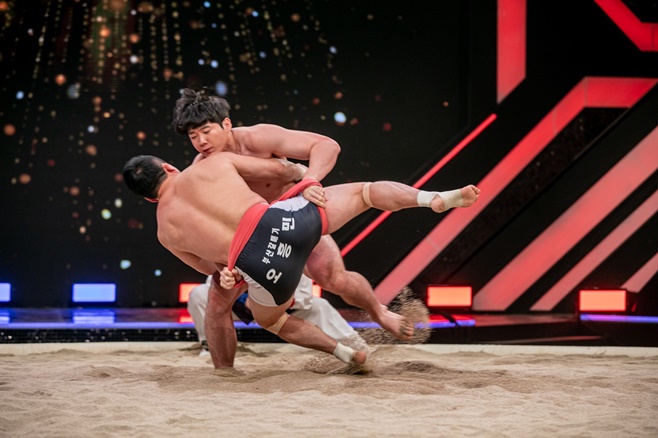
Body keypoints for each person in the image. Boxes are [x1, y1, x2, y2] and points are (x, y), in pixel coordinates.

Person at [123, 152, 480, 365]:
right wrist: (304, 179)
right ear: (169, 167)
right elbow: (279, 171)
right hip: (285, 221)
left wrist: (232, 272)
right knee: (365, 192)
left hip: (258, 264)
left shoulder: (165, 231)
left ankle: (342, 352)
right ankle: (430, 198)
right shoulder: (211, 164)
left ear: (150, 199)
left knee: (271, 320)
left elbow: (212, 269)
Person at [169, 88, 416, 367]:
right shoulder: (200, 168)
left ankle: (379, 312)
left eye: (206, 131)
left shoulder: (259, 138)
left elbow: (325, 145)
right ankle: (223, 371)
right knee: (214, 302)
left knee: (335, 278)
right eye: (193, 137)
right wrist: (222, 268)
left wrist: (308, 180)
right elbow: (207, 225)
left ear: (226, 124)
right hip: (250, 247)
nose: (201, 142)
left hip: (295, 222)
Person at [188, 273, 367, 357]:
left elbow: (304, 297)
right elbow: (214, 285)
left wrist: (268, 303)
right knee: (199, 294)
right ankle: (210, 345)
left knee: (320, 306)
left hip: (280, 307)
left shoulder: (291, 250)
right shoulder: (236, 245)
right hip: (240, 305)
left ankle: (355, 344)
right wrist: (244, 299)